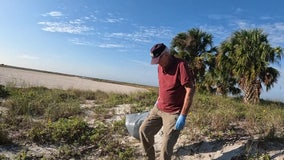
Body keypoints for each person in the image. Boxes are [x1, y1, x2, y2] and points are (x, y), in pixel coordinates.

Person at [139, 43, 195, 160]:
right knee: (144, 131)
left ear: (166, 55)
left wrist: (183, 116)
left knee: (166, 147)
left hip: (173, 113)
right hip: (158, 108)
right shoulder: (160, 67)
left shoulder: (181, 65)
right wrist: (158, 100)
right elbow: (163, 86)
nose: (158, 64)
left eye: (159, 60)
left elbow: (190, 90)